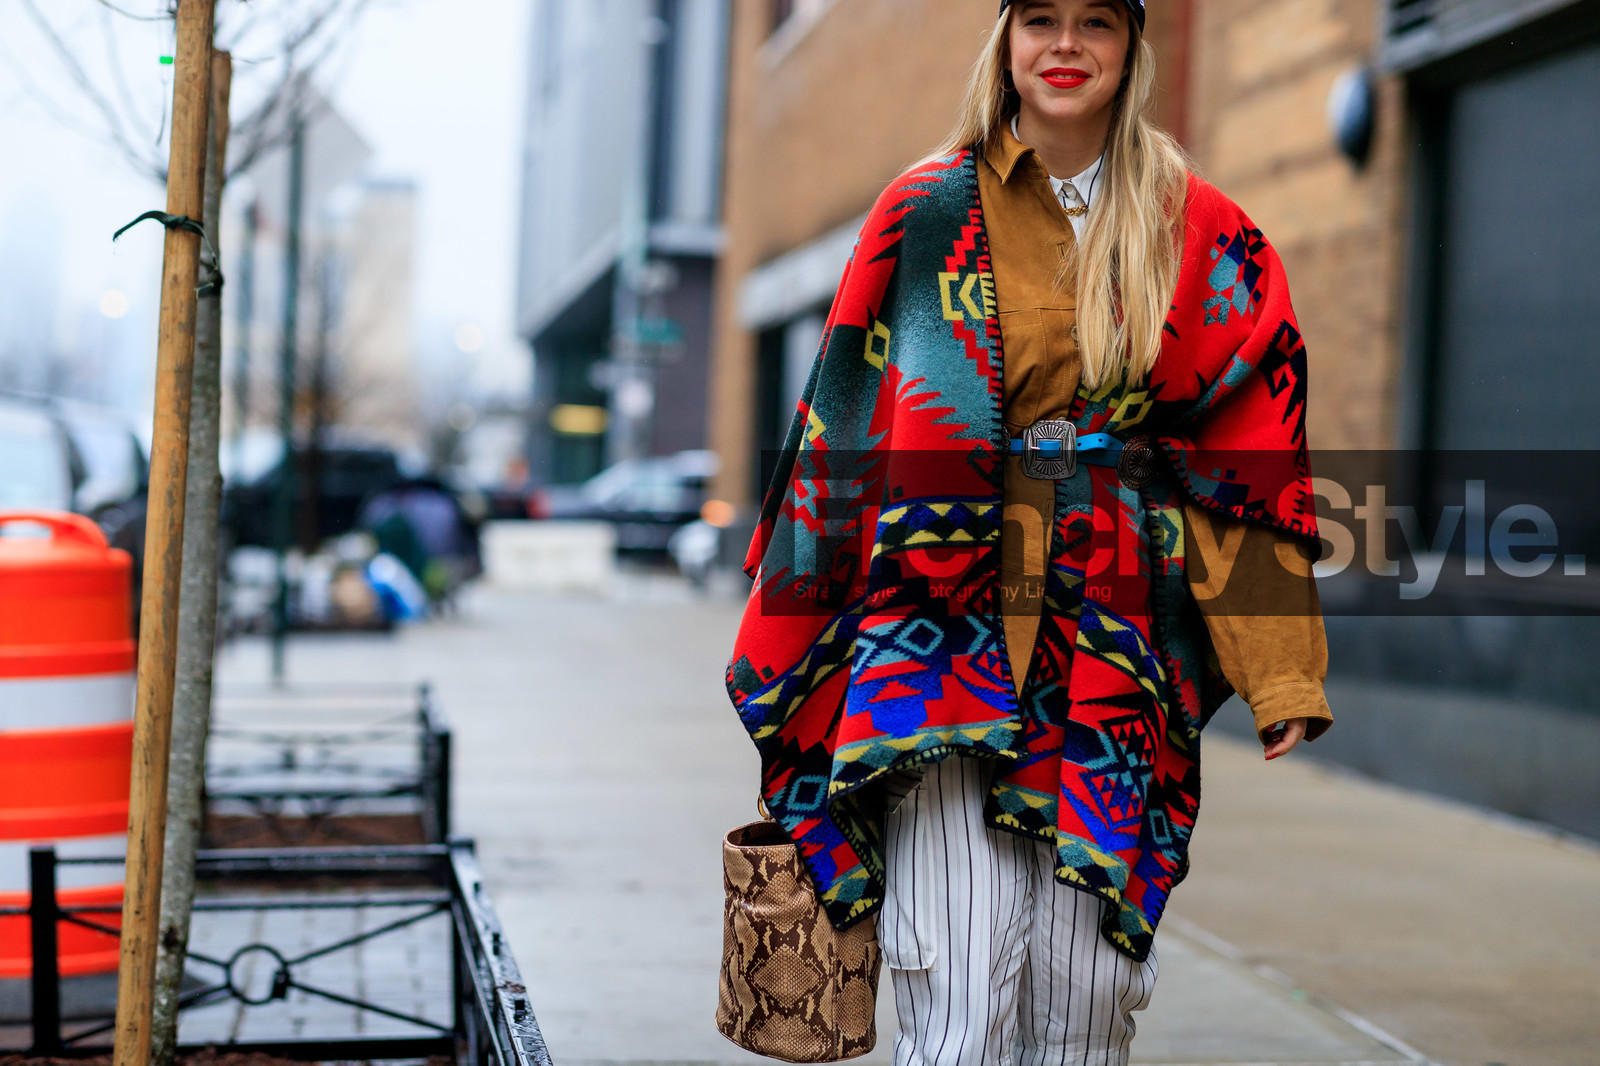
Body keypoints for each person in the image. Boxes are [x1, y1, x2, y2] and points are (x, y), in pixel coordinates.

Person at [726, 1, 1331, 1062]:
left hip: (1116, 642)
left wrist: (1280, 671)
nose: (1065, 45)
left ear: (1131, 46)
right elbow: (844, 426)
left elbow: (1245, 463)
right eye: (1038, 18)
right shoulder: (922, 210)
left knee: (1089, 995)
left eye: (1095, 20)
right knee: (954, 991)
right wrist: (801, 641)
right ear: (1003, 39)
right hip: (941, 630)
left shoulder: (1206, 232)